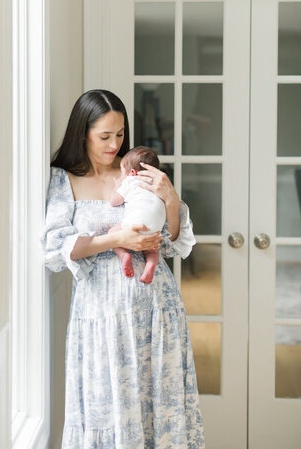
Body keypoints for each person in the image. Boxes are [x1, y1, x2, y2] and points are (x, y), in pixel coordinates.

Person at [40, 89, 205, 449]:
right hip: (100, 314)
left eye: (120, 134)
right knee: (105, 408)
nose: (114, 144)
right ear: (82, 132)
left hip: (155, 309)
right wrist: (117, 240)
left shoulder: (136, 173)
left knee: (159, 409)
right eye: (104, 136)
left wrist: (171, 199)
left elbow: (174, 243)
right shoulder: (63, 179)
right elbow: (54, 250)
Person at [108, 145, 167, 284]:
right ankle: (150, 264)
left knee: (112, 234)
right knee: (151, 251)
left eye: (122, 171)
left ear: (132, 172)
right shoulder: (157, 184)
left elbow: (113, 202)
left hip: (136, 222)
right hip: (156, 226)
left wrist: (118, 185)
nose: (121, 175)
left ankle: (123, 255)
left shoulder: (130, 181)